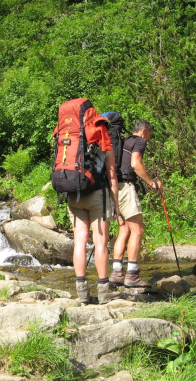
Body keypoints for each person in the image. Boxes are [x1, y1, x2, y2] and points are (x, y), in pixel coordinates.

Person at [68, 132, 122, 305]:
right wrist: (116, 205)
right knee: (100, 242)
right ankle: (103, 290)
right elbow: (112, 176)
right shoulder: (105, 143)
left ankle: (82, 291)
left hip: (74, 195)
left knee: (79, 242)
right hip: (98, 196)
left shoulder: (73, 141)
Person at [109, 119, 162, 289]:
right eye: (150, 136)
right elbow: (135, 163)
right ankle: (132, 274)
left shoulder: (122, 141)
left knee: (124, 229)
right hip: (126, 187)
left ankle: (117, 273)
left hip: (113, 188)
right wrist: (152, 183)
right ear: (144, 131)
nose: (148, 140)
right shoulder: (139, 141)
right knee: (138, 230)